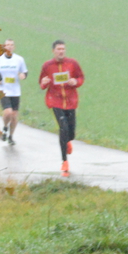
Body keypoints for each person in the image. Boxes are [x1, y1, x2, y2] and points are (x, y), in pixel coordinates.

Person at [38, 40, 85, 176]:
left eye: (63, 49)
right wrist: (44, 83)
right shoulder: (47, 65)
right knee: (63, 127)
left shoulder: (72, 63)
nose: (61, 51)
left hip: (70, 101)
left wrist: (75, 81)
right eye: (58, 49)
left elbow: (80, 77)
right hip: (55, 101)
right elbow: (42, 82)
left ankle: (68, 140)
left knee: (71, 132)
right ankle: (64, 161)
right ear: (53, 51)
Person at [0, 39, 28, 142]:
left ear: (14, 47)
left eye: (11, 45)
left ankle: (11, 136)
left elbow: (25, 72)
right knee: (8, 112)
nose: (9, 47)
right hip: (2, 90)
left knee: (14, 115)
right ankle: (4, 127)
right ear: (4, 47)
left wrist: (23, 75)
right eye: (7, 45)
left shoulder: (19, 59)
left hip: (15, 91)